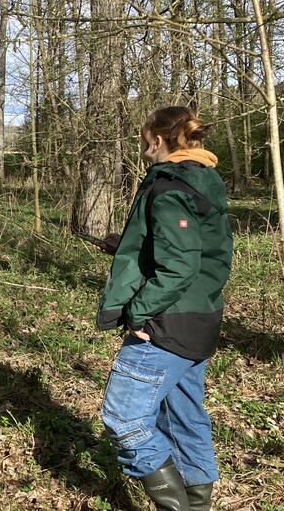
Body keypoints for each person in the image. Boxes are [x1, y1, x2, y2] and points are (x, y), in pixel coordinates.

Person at [95, 106, 231, 511]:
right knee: (183, 416)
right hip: (199, 319)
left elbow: (179, 267)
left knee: (124, 418)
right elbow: (195, 250)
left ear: (156, 140)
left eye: (143, 140)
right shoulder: (203, 178)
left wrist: (138, 313)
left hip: (165, 324)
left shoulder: (168, 187)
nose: (141, 148)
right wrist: (130, 245)